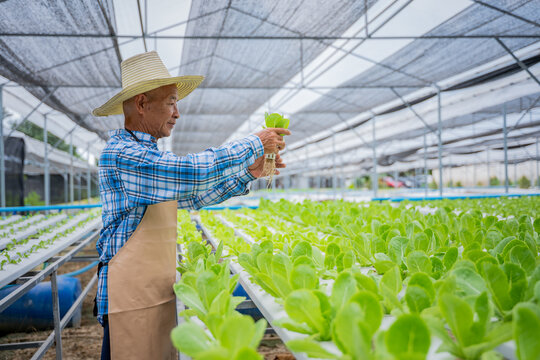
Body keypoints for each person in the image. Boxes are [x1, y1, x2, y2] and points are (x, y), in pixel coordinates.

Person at [91, 51, 290, 360]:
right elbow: (191, 172)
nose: (177, 113)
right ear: (142, 104)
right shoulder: (122, 153)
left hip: (148, 289)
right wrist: (254, 143)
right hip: (128, 298)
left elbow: (193, 195)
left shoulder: (146, 156)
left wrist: (247, 172)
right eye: (171, 102)